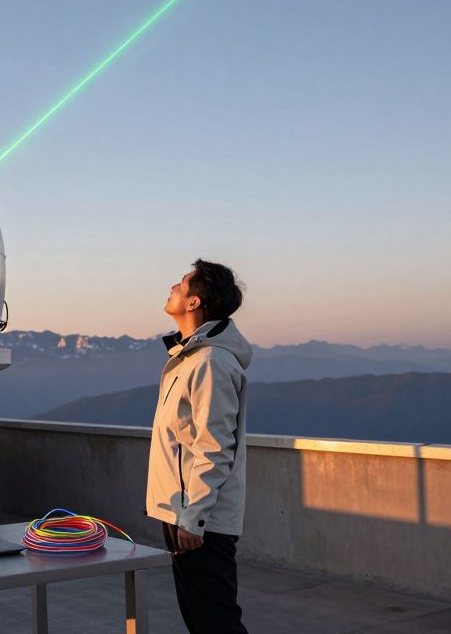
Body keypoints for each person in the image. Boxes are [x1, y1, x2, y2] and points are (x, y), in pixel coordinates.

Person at [146, 259, 251, 633]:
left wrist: (195, 518)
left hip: (199, 521)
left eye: (182, 283)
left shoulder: (210, 362)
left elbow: (214, 447)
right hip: (184, 513)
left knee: (216, 622)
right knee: (201, 619)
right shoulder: (191, 357)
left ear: (194, 303)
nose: (173, 286)